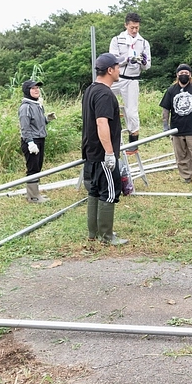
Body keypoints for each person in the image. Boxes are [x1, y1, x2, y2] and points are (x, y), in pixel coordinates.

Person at [81, 53, 128, 245]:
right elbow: (101, 123)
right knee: (109, 191)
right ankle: (107, 236)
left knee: (94, 190)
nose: (119, 70)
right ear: (110, 70)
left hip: (90, 151)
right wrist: (109, 153)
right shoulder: (105, 94)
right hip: (102, 153)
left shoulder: (90, 90)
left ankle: (94, 233)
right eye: (117, 67)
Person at [159, 63, 192, 185]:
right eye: (181, 73)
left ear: (190, 75)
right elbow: (165, 109)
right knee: (181, 155)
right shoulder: (171, 90)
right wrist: (165, 126)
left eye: (186, 73)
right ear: (177, 75)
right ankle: (187, 176)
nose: (184, 75)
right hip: (176, 129)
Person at [109, 12, 151, 153]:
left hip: (132, 79)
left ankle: (134, 140)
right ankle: (112, 115)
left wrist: (143, 61)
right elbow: (112, 59)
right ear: (126, 25)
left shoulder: (143, 43)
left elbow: (147, 66)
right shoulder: (116, 40)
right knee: (102, 94)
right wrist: (127, 59)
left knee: (132, 111)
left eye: (137, 28)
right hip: (117, 77)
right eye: (132, 27)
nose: (134, 30)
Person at [18, 80, 56, 203]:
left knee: (38, 167)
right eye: (33, 88)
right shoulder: (26, 107)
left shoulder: (37, 104)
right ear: (27, 91)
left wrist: (47, 119)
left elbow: (37, 123)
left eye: (37, 88)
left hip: (40, 139)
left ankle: (36, 193)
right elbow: (25, 127)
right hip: (31, 142)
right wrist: (30, 142)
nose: (36, 90)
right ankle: (33, 196)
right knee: (33, 168)